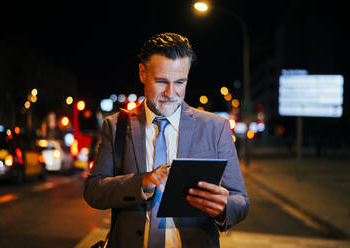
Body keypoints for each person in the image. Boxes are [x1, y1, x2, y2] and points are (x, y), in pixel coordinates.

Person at [84, 32, 249, 248]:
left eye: (180, 82)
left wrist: (222, 208)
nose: (171, 93)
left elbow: (241, 200)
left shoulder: (215, 127)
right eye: (161, 81)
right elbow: (93, 191)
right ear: (143, 73)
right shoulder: (115, 126)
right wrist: (142, 182)